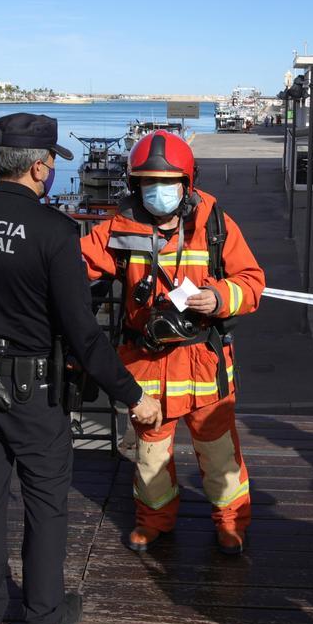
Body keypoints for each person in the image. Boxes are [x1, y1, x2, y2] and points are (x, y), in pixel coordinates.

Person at [0, 113, 162, 624]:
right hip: (34, 392)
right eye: (50, 162)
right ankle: (44, 619)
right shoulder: (54, 232)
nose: (50, 171)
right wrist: (132, 396)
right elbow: (83, 334)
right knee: (46, 504)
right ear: (41, 167)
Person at [80, 129, 265, 555]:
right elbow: (78, 265)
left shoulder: (216, 225)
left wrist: (219, 297)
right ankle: (154, 520)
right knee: (149, 456)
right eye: (148, 182)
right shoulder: (119, 228)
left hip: (203, 363)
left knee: (219, 455)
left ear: (187, 183)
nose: (157, 190)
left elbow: (252, 283)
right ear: (134, 184)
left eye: (167, 182)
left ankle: (231, 524)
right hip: (146, 363)